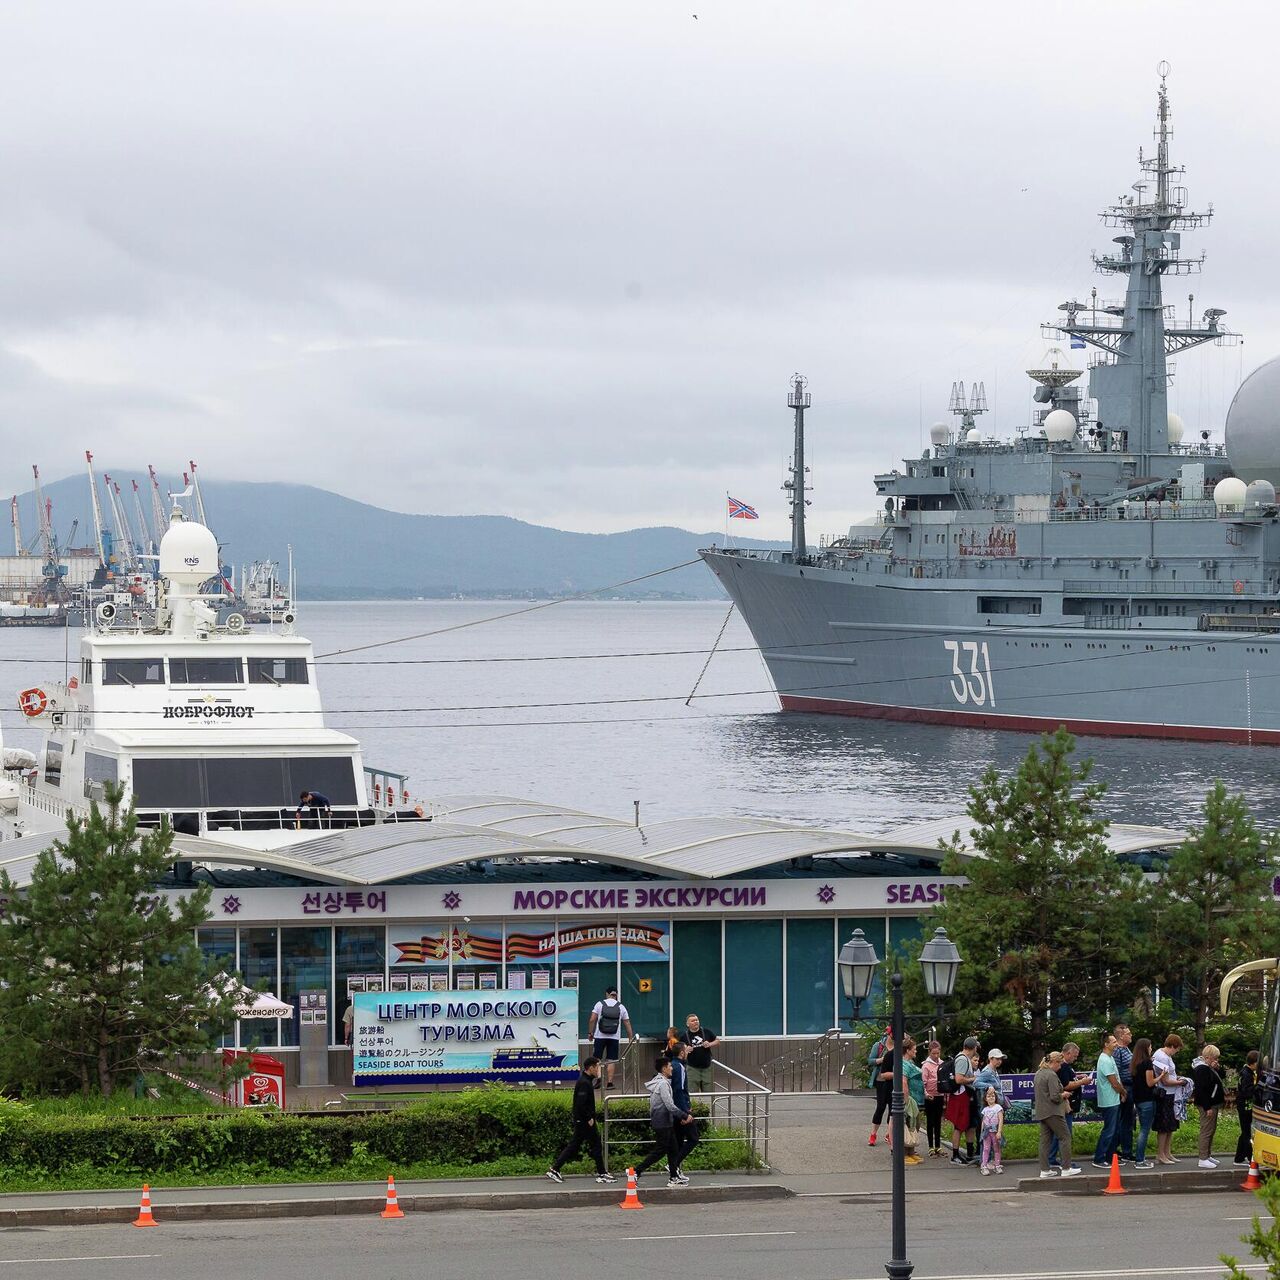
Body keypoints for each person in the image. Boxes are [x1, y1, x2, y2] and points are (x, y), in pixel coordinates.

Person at [546, 1056, 615, 1184]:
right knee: (594, 1145)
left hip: (582, 1120)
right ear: (591, 1068)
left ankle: (555, 1169)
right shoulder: (584, 1082)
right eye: (597, 1067)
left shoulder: (586, 1081)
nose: (599, 1070)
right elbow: (580, 1103)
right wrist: (589, 1118)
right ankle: (602, 1174)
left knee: (577, 1145)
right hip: (584, 1121)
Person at [635, 1055, 691, 1187]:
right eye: (670, 1066)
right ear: (664, 1068)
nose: (672, 1068)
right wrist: (684, 1116)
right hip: (662, 1122)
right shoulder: (663, 1084)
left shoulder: (659, 1081)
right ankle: (637, 1171)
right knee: (660, 1150)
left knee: (673, 1150)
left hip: (664, 1122)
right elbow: (670, 1105)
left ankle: (673, 1177)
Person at [1034, 1051, 1081, 1179]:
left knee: (1045, 1141)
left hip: (1042, 1112)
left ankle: (1045, 1170)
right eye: (1059, 1064)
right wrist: (1064, 1095)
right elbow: (1055, 1097)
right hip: (1053, 1112)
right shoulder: (1051, 1075)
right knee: (1065, 1137)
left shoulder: (1039, 1074)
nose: (1060, 1067)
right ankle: (1066, 1168)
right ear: (1054, 1062)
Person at [1047, 1042, 1086, 1171]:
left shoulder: (1065, 1067)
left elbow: (1067, 1079)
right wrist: (1082, 1082)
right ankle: (1065, 1163)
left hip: (1064, 1105)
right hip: (1064, 1105)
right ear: (1068, 1053)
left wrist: (1077, 1077)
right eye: (1074, 1056)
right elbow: (1066, 1085)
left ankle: (1052, 1158)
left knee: (1058, 1134)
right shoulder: (1063, 1066)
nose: (1075, 1059)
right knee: (1065, 1134)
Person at [587, 986, 635, 1090]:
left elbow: (592, 1019)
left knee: (597, 1059)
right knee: (611, 1060)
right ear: (616, 994)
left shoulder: (600, 1004)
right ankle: (609, 1083)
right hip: (614, 1037)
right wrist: (630, 1037)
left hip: (600, 1036)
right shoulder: (621, 1006)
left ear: (607, 994)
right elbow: (627, 1023)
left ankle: (599, 1078)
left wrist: (590, 1033)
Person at [1151, 1033, 1188, 1165]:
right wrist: (1180, 1082)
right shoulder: (1162, 1057)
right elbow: (1165, 1080)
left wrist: (1177, 1079)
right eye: (1177, 1049)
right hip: (1165, 1094)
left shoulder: (1166, 1056)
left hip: (1172, 1094)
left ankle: (1167, 1152)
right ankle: (1160, 1154)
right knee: (1164, 1126)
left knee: (1171, 1125)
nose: (1177, 1052)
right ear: (1172, 1046)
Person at [1092, 1032, 1126, 1170]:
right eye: (1113, 1042)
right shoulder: (1105, 1060)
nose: (1116, 1044)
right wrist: (1123, 1092)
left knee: (1114, 1130)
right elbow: (1114, 1082)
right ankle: (1099, 1158)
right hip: (1108, 1100)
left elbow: (1117, 1079)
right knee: (1109, 1130)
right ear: (1106, 1044)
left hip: (1113, 1099)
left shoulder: (1109, 1057)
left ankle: (1110, 1157)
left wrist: (1121, 1093)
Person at [945, 1036, 980, 1165]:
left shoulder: (964, 1058)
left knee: (970, 1124)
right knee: (959, 1126)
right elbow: (959, 1079)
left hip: (965, 1095)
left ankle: (969, 1154)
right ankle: (955, 1155)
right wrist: (973, 1079)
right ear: (974, 1047)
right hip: (961, 1095)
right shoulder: (963, 1060)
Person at [1191, 1043, 1225, 1169]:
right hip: (1207, 1104)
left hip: (1213, 1103)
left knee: (1211, 1130)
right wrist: (1207, 1107)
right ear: (1207, 1057)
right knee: (1206, 1131)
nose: (1216, 1061)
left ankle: (1207, 1155)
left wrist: (1217, 1068)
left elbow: (1221, 1077)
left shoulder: (1209, 1067)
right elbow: (1201, 1089)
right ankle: (1203, 1158)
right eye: (1214, 1058)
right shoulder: (1201, 1069)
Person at [668, 1041, 700, 1166]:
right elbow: (679, 1090)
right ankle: (674, 1164)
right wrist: (684, 1113)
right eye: (686, 1050)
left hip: (676, 1109)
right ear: (682, 1053)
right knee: (693, 1138)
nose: (688, 1052)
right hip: (680, 1110)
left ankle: (675, 1171)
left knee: (679, 1140)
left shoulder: (673, 1065)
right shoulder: (679, 1067)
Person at [1130, 1037, 1157, 1170]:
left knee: (1142, 1129)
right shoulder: (1147, 1063)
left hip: (1138, 1099)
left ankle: (1140, 1158)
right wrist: (1161, 1076)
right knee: (1145, 1130)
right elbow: (1150, 1082)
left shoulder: (1135, 1063)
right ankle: (1140, 1160)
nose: (1151, 1048)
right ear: (1146, 1048)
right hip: (1147, 1098)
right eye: (1150, 1046)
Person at [1113, 1024, 1136, 1162]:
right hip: (1125, 1087)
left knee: (1128, 1119)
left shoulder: (1126, 1049)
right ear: (1121, 1036)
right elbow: (1116, 1072)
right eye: (1128, 1033)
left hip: (1130, 1086)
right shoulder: (1118, 1051)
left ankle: (1124, 1149)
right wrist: (1122, 1091)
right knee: (1125, 1120)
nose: (1131, 1035)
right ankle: (1123, 1150)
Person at [681, 1014, 719, 1096]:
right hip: (692, 1068)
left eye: (697, 1020)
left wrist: (710, 1044)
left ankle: (709, 1108)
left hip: (707, 1067)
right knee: (692, 1092)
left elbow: (717, 1041)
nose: (696, 1022)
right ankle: (694, 1108)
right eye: (693, 1020)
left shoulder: (706, 1031)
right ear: (688, 1024)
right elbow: (680, 1052)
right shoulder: (684, 1036)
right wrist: (686, 1050)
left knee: (709, 1093)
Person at [901, 1037, 925, 1165]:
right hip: (910, 1099)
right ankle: (905, 1154)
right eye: (914, 1049)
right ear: (907, 1050)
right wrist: (906, 1099)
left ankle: (911, 1152)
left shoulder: (910, 1062)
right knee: (909, 1124)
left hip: (917, 1099)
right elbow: (903, 1081)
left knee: (914, 1125)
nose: (916, 1051)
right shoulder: (903, 1064)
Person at [868, 1027, 894, 1147]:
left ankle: (889, 1134)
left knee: (893, 1107)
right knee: (881, 1106)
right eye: (892, 1035)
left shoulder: (899, 1047)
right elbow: (870, 1061)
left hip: (894, 1080)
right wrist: (882, 1059)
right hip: (881, 1079)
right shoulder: (879, 1045)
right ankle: (873, 1134)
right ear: (888, 1035)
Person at [921, 1041, 946, 1158]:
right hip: (930, 1096)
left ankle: (938, 1146)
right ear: (929, 1052)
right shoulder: (926, 1065)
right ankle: (931, 1147)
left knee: (938, 1121)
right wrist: (926, 1094)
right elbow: (923, 1083)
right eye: (934, 1053)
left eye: (938, 1053)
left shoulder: (942, 1064)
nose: (936, 1056)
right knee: (930, 1122)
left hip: (940, 1095)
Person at [1236, 1049, 1259, 1168]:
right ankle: (1251, 1159)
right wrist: (1257, 1087)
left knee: (1245, 1131)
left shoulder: (1246, 1072)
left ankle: (1238, 1158)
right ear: (1253, 1063)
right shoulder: (1247, 1074)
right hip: (1244, 1105)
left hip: (1245, 1105)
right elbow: (1247, 1091)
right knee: (1247, 1133)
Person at [979, 1085, 1005, 1175]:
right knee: (986, 1148)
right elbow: (983, 1121)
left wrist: (999, 1132)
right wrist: (982, 1132)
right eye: (989, 1096)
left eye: (993, 1096)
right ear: (985, 1098)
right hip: (987, 1132)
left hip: (995, 1131)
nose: (991, 1098)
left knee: (996, 1148)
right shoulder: (985, 1109)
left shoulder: (998, 1107)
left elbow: (1001, 1120)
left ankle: (997, 1165)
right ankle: (984, 1166)